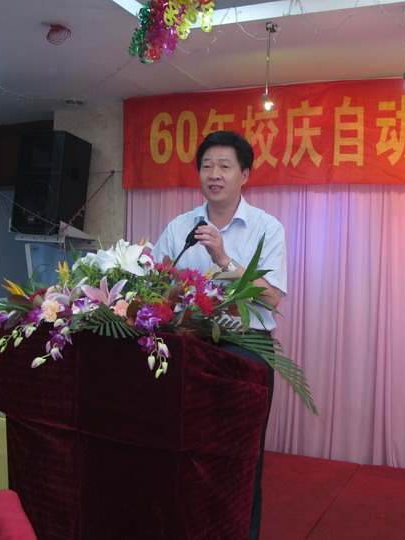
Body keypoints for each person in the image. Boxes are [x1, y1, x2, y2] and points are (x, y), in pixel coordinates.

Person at [151, 130, 287, 539]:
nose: (214, 174)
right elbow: (154, 287)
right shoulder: (180, 227)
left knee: (241, 458)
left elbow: (272, 297)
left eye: (225, 166)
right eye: (207, 166)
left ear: (244, 175)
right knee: (182, 450)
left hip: (245, 349)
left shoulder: (266, 228)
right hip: (188, 345)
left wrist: (223, 259)